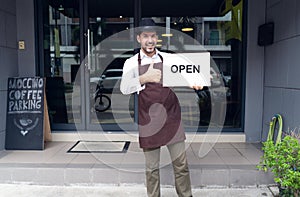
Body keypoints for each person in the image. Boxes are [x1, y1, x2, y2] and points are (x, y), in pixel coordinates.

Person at [120, 18, 202, 197]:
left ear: (157, 38)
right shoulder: (131, 63)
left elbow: (187, 75)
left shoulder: (170, 59)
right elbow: (124, 88)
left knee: (181, 165)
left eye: (153, 36)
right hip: (149, 120)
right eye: (145, 36)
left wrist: (194, 82)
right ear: (139, 38)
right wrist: (144, 78)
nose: (149, 40)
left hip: (172, 117)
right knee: (151, 169)